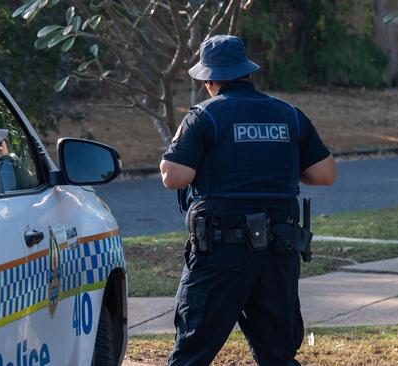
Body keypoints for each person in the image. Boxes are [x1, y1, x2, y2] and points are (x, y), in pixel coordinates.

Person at [159, 35, 336, 366]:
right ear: (246, 73)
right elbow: (325, 174)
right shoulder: (289, 114)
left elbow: (174, 177)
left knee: (191, 354)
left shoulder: (204, 116)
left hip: (220, 254)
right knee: (278, 355)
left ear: (209, 79)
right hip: (277, 253)